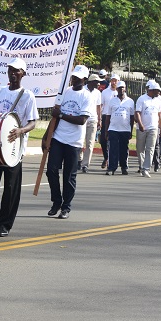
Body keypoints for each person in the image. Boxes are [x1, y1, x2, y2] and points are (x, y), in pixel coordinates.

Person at [0, 57, 38, 237]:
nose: (13, 73)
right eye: (11, 70)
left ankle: (5, 224)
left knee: (11, 188)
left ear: (23, 74)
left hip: (14, 147)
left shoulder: (27, 95)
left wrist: (21, 130)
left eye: (17, 71)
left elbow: (33, 122)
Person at [45, 65, 91, 219]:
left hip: (74, 141)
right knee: (51, 170)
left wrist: (62, 115)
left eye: (78, 77)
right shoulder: (65, 92)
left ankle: (66, 207)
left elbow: (82, 120)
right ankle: (56, 201)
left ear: (84, 79)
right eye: (74, 76)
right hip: (58, 137)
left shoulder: (87, 96)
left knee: (69, 176)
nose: (75, 78)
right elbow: (55, 116)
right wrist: (47, 136)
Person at [103, 81, 135, 175]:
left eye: (123, 88)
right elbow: (108, 116)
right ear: (116, 89)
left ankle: (124, 167)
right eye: (119, 88)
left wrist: (130, 129)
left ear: (125, 88)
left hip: (125, 129)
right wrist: (106, 131)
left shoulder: (130, 101)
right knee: (113, 148)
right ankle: (111, 168)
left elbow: (132, 117)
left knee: (124, 149)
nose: (121, 89)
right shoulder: (112, 101)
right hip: (113, 128)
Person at [135, 81, 161, 178]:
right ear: (151, 90)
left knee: (150, 148)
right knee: (140, 149)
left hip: (153, 128)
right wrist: (140, 124)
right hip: (142, 128)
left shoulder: (158, 100)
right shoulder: (142, 99)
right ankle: (142, 165)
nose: (159, 93)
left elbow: (159, 114)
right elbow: (137, 113)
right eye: (157, 91)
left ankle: (146, 168)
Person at [79, 73, 102, 173]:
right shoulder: (82, 90)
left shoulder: (97, 93)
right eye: (97, 82)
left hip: (93, 119)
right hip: (82, 119)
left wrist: (99, 119)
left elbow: (98, 107)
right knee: (79, 141)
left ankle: (85, 164)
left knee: (90, 143)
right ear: (91, 82)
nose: (98, 84)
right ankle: (79, 160)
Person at [99, 74, 119, 168]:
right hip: (105, 116)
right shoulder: (105, 92)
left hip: (115, 118)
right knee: (103, 139)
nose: (114, 82)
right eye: (112, 80)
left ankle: (112, 159)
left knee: (113, 139)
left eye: (116, 81)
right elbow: (101, 105)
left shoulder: (120, 92)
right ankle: (106, 157)